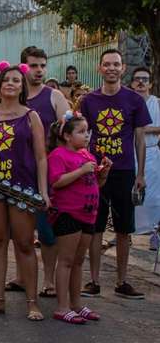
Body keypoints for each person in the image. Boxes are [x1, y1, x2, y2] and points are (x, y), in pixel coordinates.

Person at [0, 62, 49, 321]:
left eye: (16, 80)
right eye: (7, 80)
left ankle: (32, 302)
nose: (11, 83)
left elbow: (40, 157)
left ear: (22, 87)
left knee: (25, 243)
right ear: (0, 86)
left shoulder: (31, 116)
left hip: (23, 188)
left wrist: (44, 191)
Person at [79, 49, 150, 299]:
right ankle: (94, 281)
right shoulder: (88, 101)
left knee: (124, 229)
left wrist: (140, 174)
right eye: (107, 64)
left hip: (125, 171)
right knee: (95, 227)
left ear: (122, 69)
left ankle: (122, 282)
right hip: (96, 173)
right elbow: (81, 137)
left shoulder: (134, 101)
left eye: (116, 64)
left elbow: (140, 140)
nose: (111, 68)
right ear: (100, 68)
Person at [5, 46, 69, 297]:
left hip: (47, 172)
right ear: (23, 67)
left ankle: (49, 281)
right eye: (33, 65)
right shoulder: (11, 95)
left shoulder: (54, 97)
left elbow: (68, 132)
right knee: (19, 231)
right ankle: (22, 276)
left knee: (46, 231)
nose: (39, 70)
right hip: (17, 171)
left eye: (43, 65)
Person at [47, 112, 111, 324]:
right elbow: (57, 182)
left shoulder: (87, 155)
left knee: (78, 261)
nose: (86, 136)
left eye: (88, 131)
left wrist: (103, 174)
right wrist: (81, 170)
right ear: (67, 136)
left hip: (88, 213)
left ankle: (76, 304)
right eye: (81, 132)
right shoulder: (58, 155)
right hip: (68, 213)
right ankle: (62, 306)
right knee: (65, 261)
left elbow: (96, 184)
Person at [130, 67, 160, 236]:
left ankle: (153, 230)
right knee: (131, 193)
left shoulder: (157, 102)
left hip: (152, 152)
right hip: (131, 153)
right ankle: (132, 231)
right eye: (137, 79)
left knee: (154, 195)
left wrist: (142, 129)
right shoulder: (128, 102)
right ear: (133, 83)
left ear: (150, 83)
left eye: (145, 79)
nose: (141, 82)